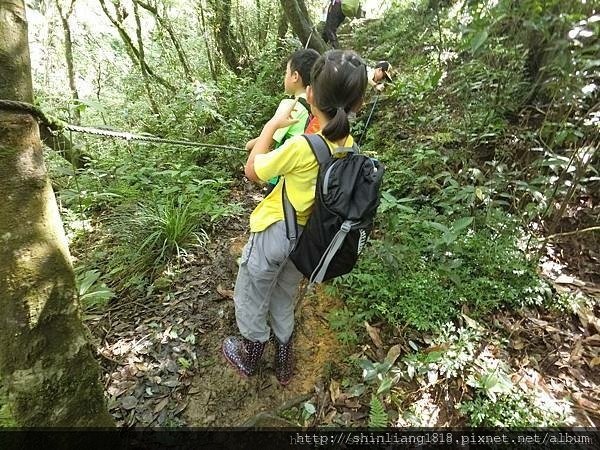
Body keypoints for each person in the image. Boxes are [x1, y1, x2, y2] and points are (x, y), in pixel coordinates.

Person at [223, 50, 368, 385]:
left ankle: (251, 353)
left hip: (275, 232)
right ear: (358, 104)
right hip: (308, 241)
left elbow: (252, 171)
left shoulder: (303, 146)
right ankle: (285, 362)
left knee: (252, 291)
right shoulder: (351, 148)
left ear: (311, 94)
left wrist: (272, 125)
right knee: (284, 293)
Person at [245, 49, 320, 194]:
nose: (284, 77)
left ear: (295, 76)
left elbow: (269, 138)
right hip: (306, 179)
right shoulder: (317, 107)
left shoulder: (290, 105)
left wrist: (249, 145)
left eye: (286, 73)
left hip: (284, 178)